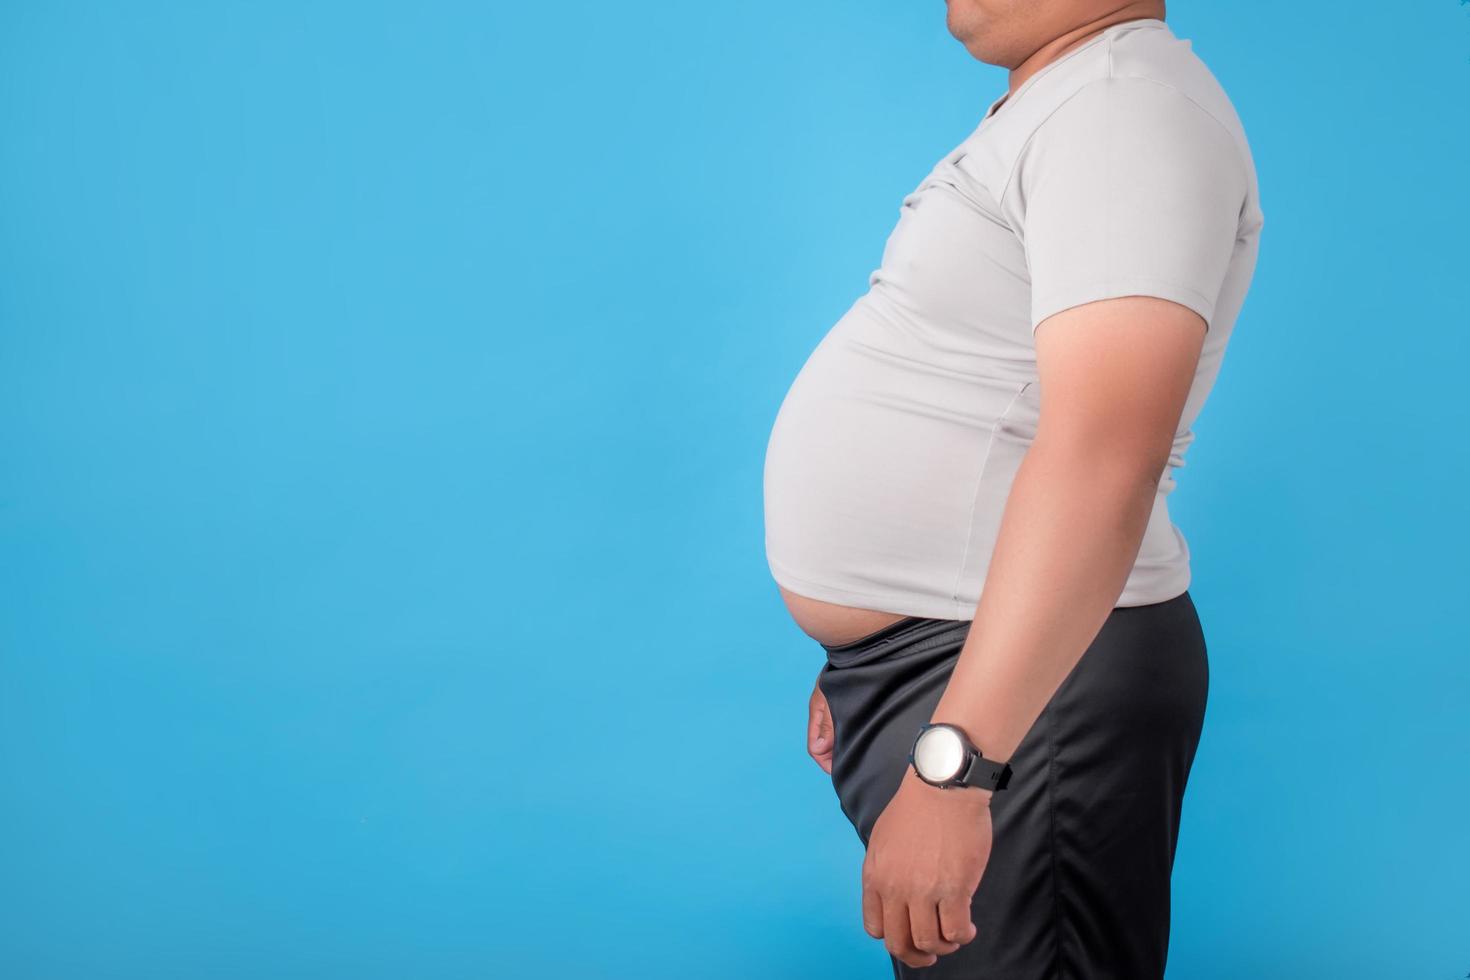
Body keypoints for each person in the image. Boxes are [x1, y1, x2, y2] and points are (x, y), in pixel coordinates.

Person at [762, 1, 1264, 977]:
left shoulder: (1125, 109)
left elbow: (1104, 453)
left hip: (1028, 704)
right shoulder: (1071, 102)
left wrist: (959, 760)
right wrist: (871, 639)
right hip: (970, 665)